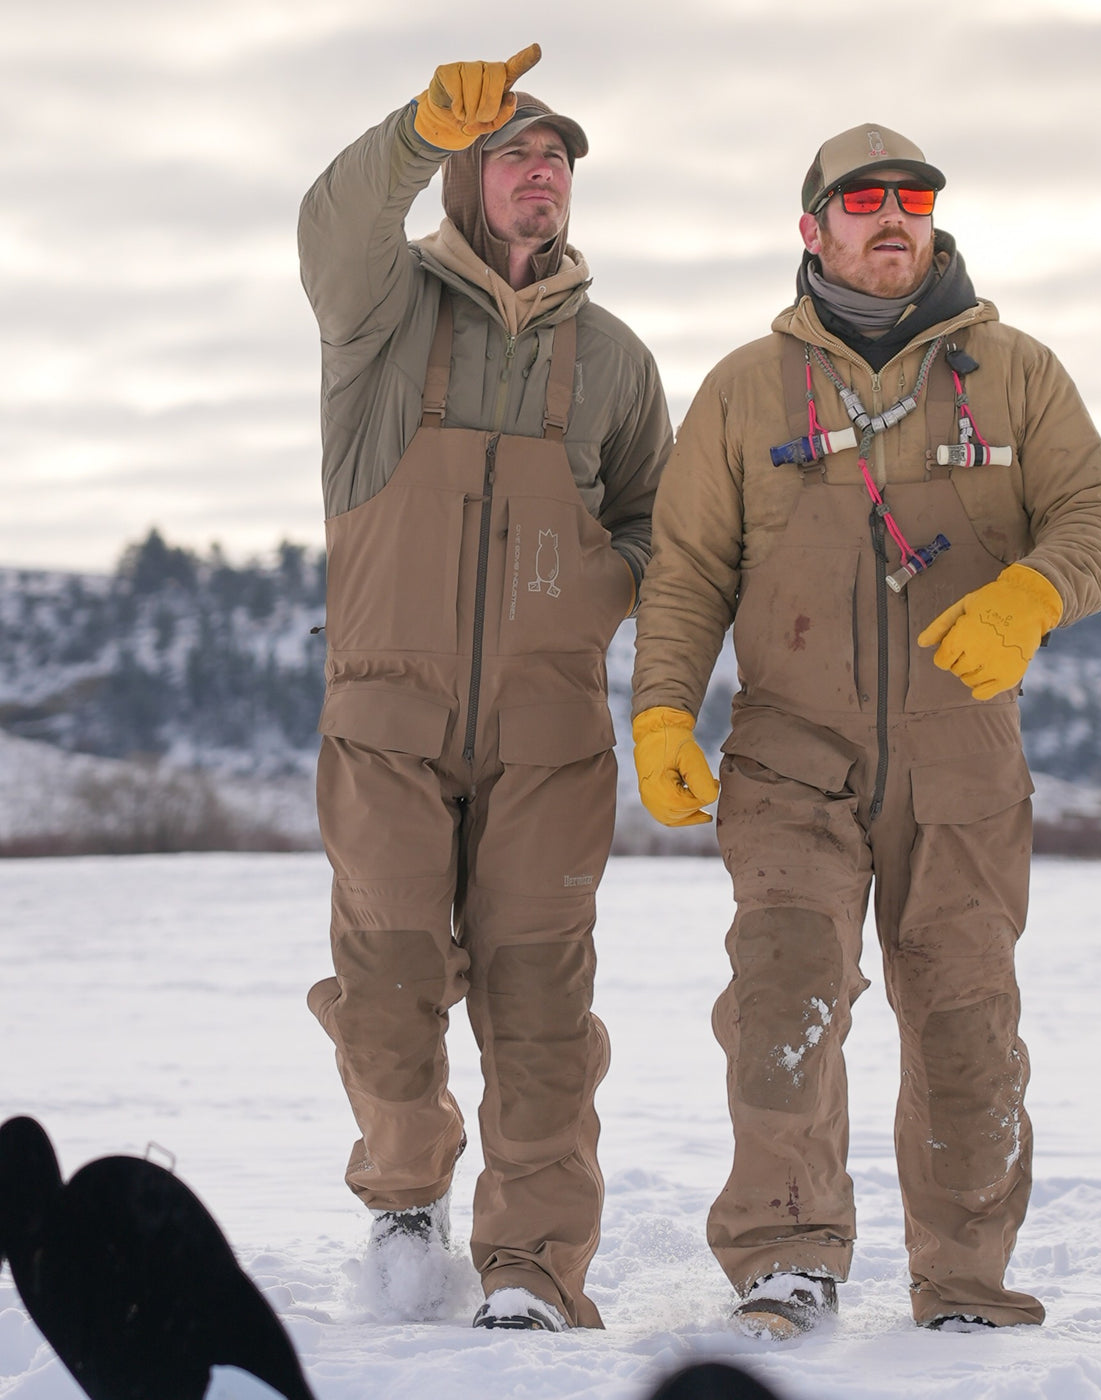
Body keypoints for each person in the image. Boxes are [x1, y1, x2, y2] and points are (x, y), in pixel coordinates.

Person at [631, 123, 1101, 1337]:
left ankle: (962, 1279)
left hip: (961, 757)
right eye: (862, 201)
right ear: (814, 229)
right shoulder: (744, 389)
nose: (891, 216)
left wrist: (1030, 595)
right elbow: (687, 569)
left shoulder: (1015, 371)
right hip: (789, 755)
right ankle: (786, 1255)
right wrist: (657, 708)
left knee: (964, 1018)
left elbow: (1095, 518)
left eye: (911, 197)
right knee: (781, 1001)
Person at [298, 45, 671, 1331]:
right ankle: (406, 1207)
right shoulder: (381, 313)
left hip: (549, 735)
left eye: (557, 160)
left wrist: (592, 590)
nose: (543, 174)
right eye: (516, 154)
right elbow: (333, 219)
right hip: (386, 723)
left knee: (542, 1009)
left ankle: (531, 1269)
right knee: (388, 991)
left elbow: (652, 524)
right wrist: (411, 127)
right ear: (466, 179)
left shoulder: (615, 359)